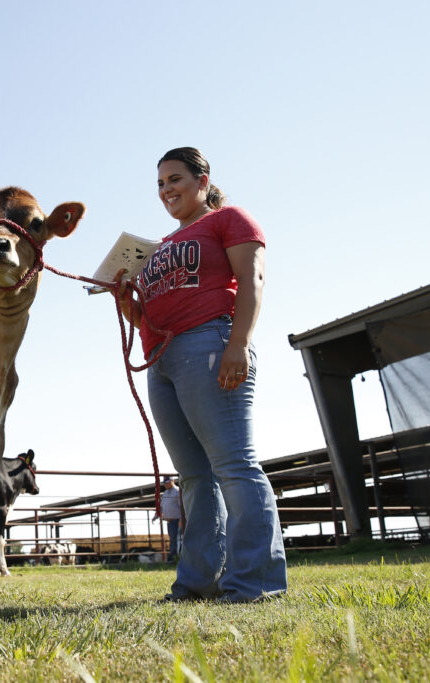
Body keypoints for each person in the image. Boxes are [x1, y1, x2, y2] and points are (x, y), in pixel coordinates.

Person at [130, 147, 287, 603]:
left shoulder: (229, 218)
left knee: (234, 465)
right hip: (160, 358)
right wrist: (127, 299)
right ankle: (197, 583)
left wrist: (238, 344)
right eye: (160, 184)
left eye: (174, 179)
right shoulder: (157, 247)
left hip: (210, 342)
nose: (166, 190)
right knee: (194, 475)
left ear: (203, 181)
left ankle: (254, 583)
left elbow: (252, 279)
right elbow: (145, 315)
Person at [153, 477, 184, 561]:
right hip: (169, 521)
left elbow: (182, 506)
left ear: (172, 481)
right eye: (165, 483)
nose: (166, 484)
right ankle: (173, 557)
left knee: (177, 540)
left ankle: (177, 557)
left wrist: (182, 519)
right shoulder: (166, 493)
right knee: (172, 539)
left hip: (177, 520)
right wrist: (156, 516)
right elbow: (162, 506)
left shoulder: (178, 492)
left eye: (167, 482)